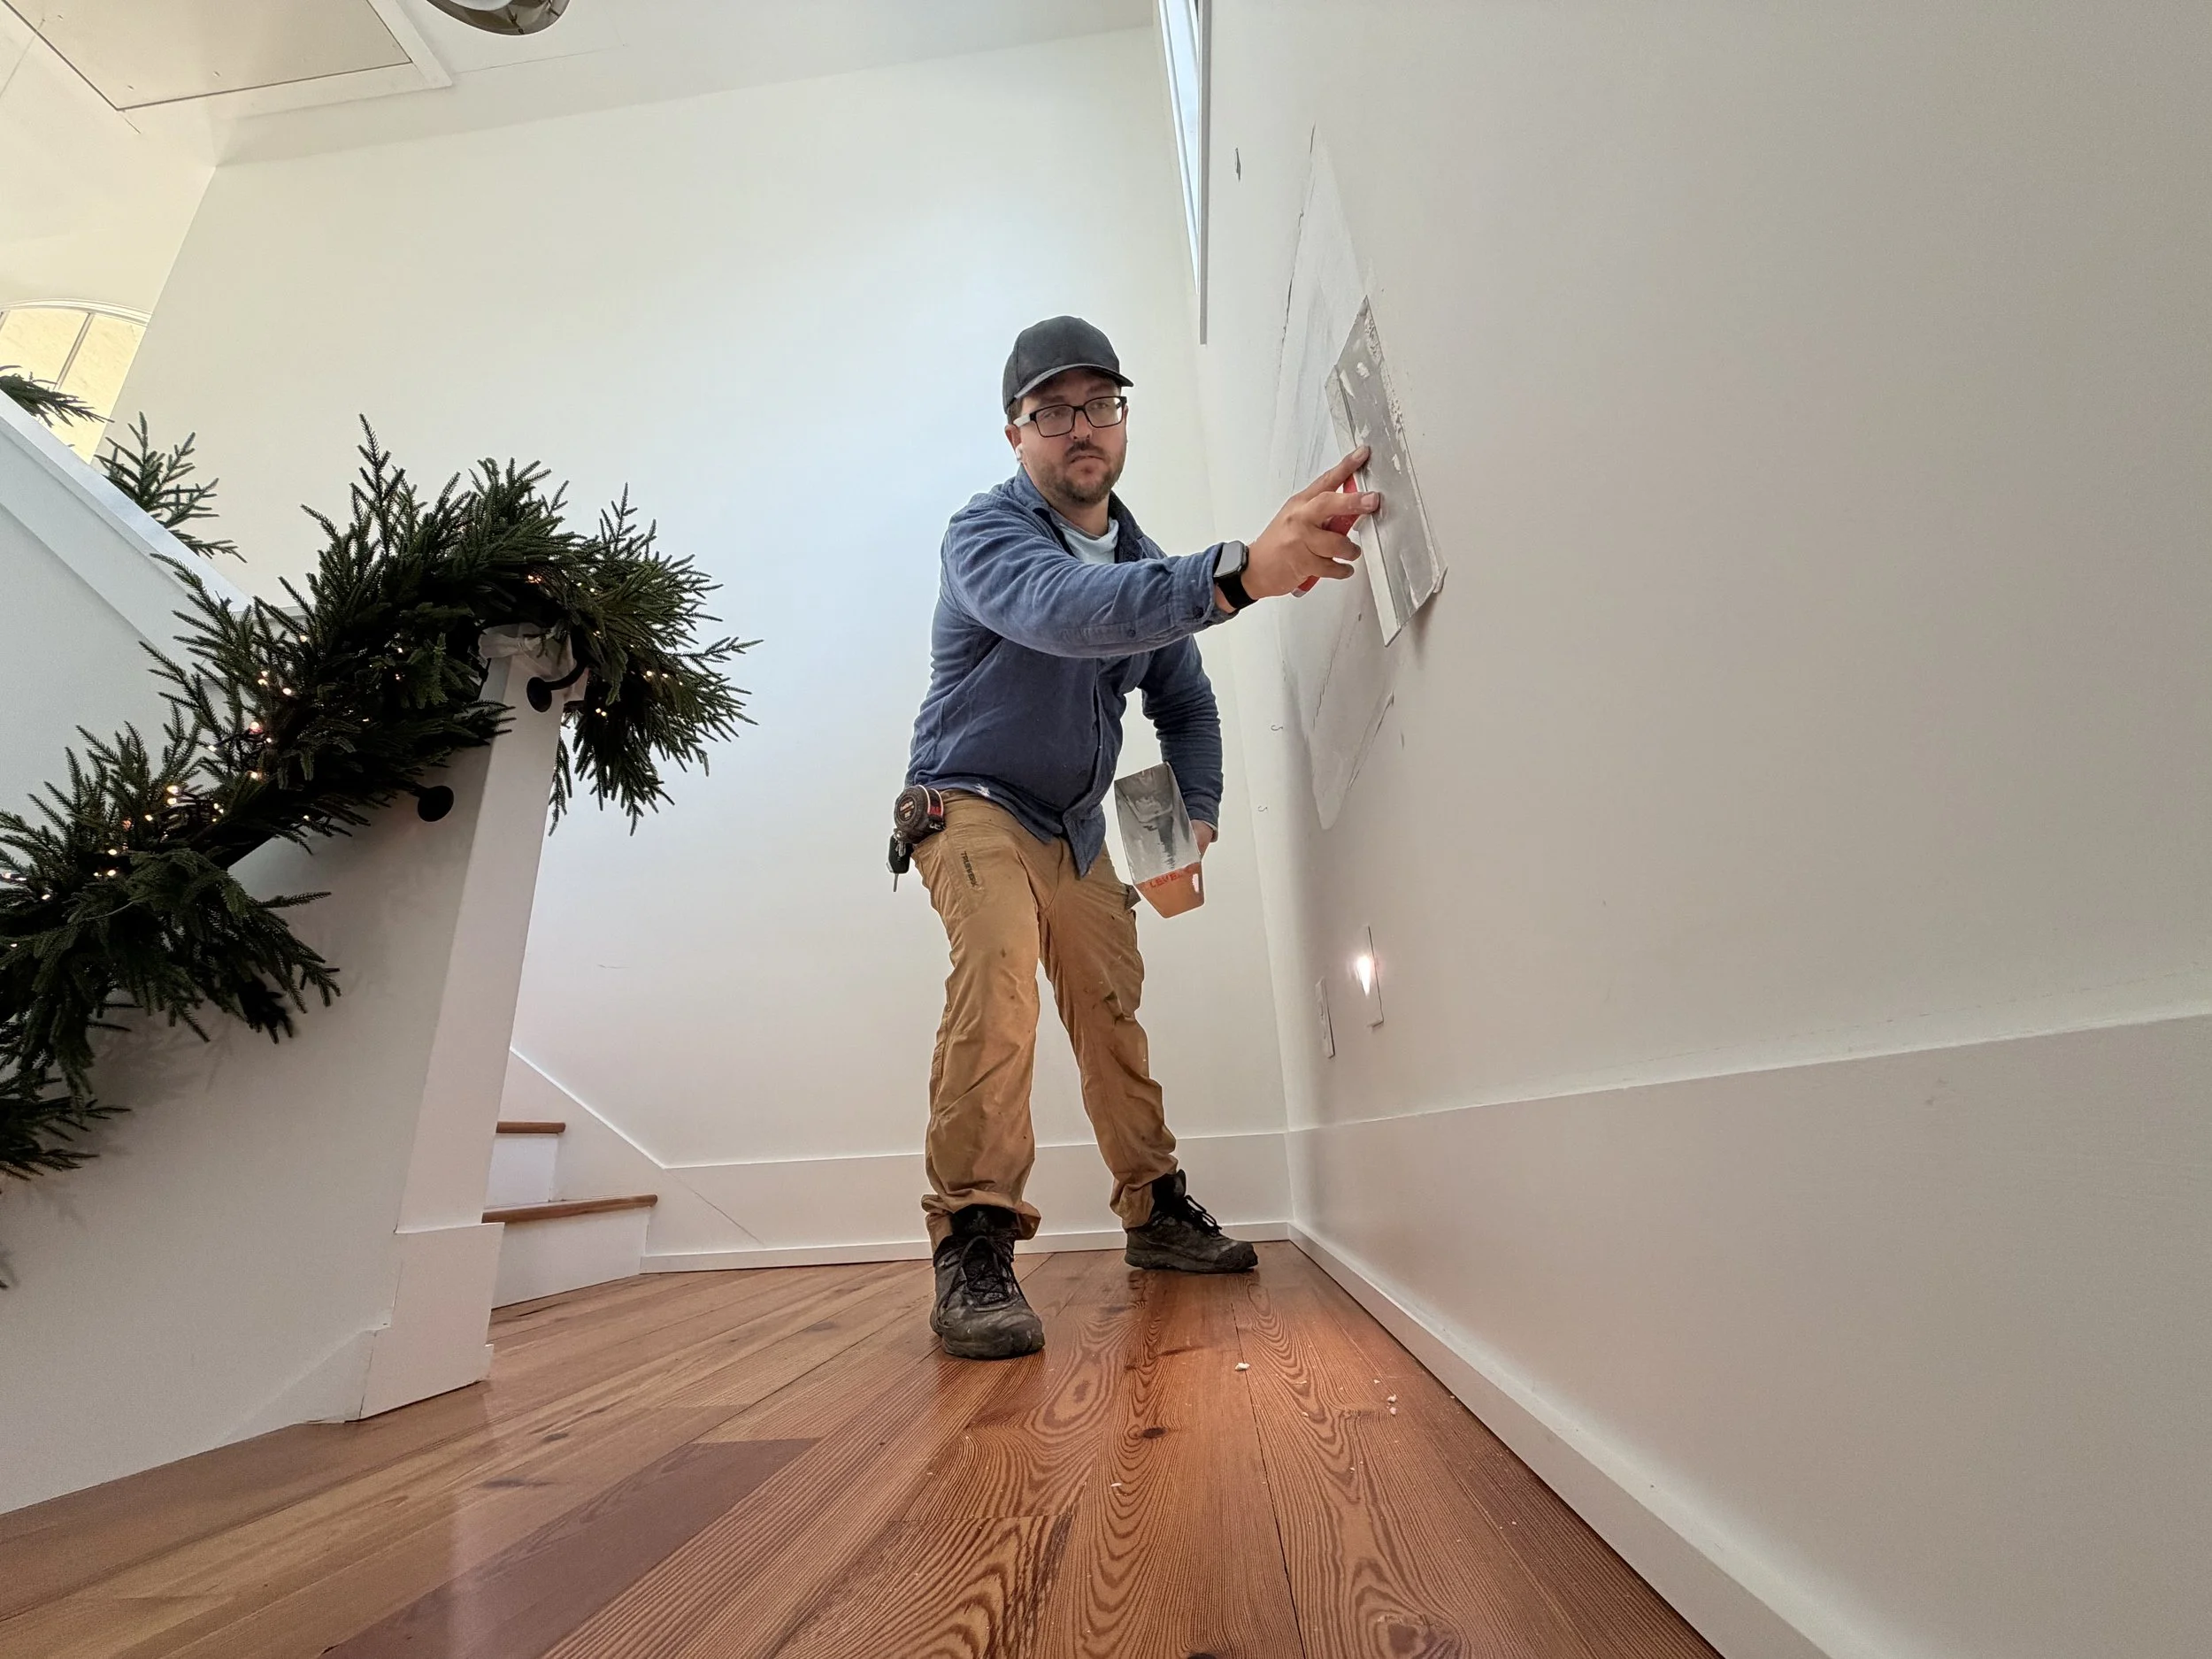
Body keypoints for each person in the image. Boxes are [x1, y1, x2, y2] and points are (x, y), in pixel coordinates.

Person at [904, 315, 1379, 1359]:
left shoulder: (1141, 554)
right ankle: (973, 1243)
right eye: (1054, 411)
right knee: (999, 984)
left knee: (1110, 1011)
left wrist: (1194, 811)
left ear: (1121, 422)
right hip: (970, 798)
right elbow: (1070, 611)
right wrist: (1241, 571)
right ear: (1015, 433)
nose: (1082, 428)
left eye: (1100, 406)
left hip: (1076, 827)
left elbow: (1187, 705)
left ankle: (1156, 1211)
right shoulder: (985, 537)